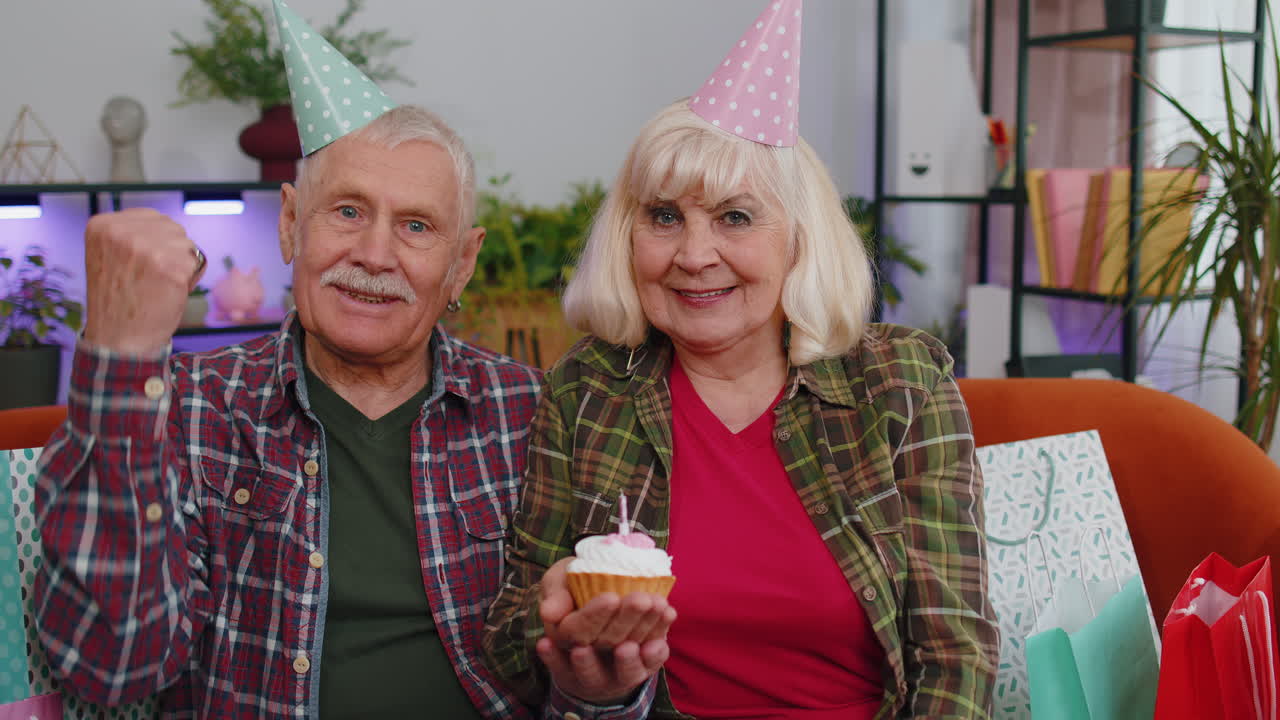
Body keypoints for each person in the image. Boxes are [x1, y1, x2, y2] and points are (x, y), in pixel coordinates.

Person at [31, 3, 642, 719]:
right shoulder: (191, 405)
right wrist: (119, 361)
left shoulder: (535, 412)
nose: (374, 255)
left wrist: (600, 687)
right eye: (347, 212)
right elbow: (115, 667)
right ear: (290, 223)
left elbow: (590, 682)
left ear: (462, 263)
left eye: (416, 226)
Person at [483, 2, 999, 717]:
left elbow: (956, 655)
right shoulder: (590, 387)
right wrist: (586, 675)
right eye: (665, 217)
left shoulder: (902, 381)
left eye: (735, 217)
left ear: (799, 239)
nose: (695, 256)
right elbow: (513, 636)